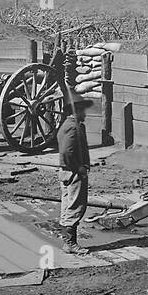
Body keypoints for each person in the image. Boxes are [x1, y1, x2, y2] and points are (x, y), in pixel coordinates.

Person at [57, 96, 93, 253]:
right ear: (76, 111)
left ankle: (67, 241)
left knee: (67, 205)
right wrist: (78, 168)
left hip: (66, 172)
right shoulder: (73, 127)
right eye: (82, 110)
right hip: (73, 173)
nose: (85, 113)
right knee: (75, 206)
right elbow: (67, 152)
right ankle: (70, 243)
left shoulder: (67, 125)